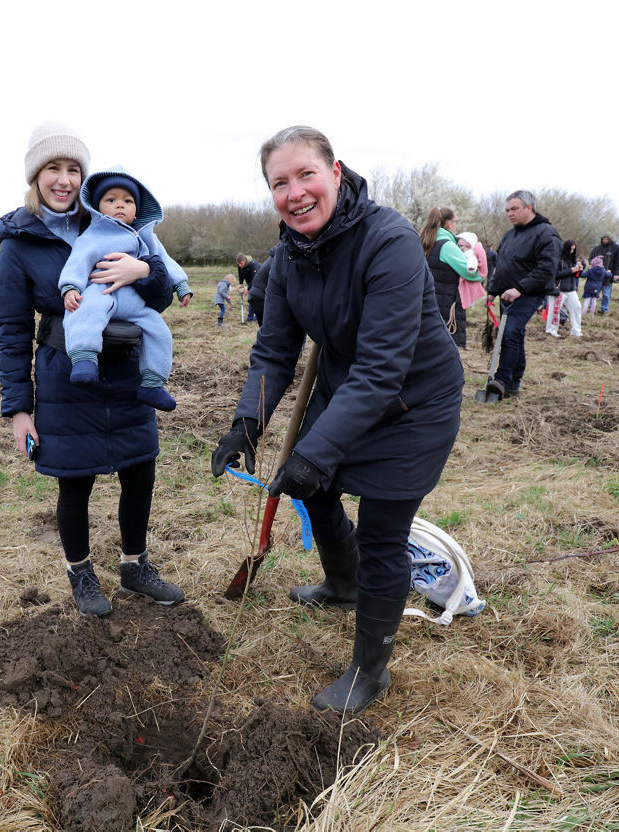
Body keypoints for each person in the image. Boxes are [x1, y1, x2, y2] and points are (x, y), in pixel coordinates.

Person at [210, 126, 463, 715]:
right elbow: (274, 351)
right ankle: (344, 585)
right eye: (279, 183)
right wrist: (247, 422)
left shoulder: (390, 240)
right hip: (348, 388)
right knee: (314, 489)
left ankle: (369, 670)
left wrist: (314, 451)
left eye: (306, 176)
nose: (295, 192)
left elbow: (382, 368)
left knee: (381, 533)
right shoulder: (287, 260)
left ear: (336, 172)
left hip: (411, 402)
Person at [0, 122, 184, 617]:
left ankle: (135, 567)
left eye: (73, 169)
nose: (63, 179)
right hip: (66, 377)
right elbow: (12, 328)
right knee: (73, 481)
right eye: (52, 168)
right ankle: (80, 573)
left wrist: (145, 271)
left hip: (126, 372)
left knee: (140, 472)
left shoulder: (109, 220)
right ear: (35, 176)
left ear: (84, 176)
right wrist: (18, 408)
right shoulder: (19, 243)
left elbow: (159, 299)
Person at [58, 168, 193, 412]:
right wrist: (70, 287)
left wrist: (181, 284)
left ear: (137, 209)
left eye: (128, 201)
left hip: (134, 300)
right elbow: (78, 261)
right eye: (111, 200)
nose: (120, 205)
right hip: (100, 290)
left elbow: (164, 260)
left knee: (159, 331)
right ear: (98, 207)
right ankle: (84, 358)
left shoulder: (147, 236)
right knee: (84, 311)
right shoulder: (93, 235)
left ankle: (153, 383)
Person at [485, 191, 562, 400]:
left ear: (529, 208)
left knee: (509, 333)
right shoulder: (510, 235)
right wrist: (492, 291)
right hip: (507, 295)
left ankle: (501, 380)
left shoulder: (546, 233)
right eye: (507, 210)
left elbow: (547, 268)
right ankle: (514, 383)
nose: (509, 214)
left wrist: (520, 289)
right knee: (514, 336)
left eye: (514, 209)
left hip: (529, 294)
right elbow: (502, 265)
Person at [419, 207, 477, 348]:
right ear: (448, 224)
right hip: (445, 305)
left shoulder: (425, 241)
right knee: (443, 349)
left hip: (426, 301)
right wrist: (474, 258)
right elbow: (471, 273)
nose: (456, 225)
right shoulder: (447, 246)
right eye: (456, 221)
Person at [546, 240, 583, 337]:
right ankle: (551, 330)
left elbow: (575, 276)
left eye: (573, 250)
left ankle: (576, 331)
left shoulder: (573, 260)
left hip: (571, 289)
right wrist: (571, 270)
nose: (571, 252)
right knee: (554, 310)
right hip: (559, 289)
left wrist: (578, 271)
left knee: (577, 308)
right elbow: (554, 274)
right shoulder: (557, 259)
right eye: (570, 249)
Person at [589, 235, 619, 314]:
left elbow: (618, 262)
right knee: (594, 293)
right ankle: (591, 308)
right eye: (604, 239)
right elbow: (590, 259)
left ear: (610, 239)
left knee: (606, 294)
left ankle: (604, 309)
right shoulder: (597, 249)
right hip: (597, 275)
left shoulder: (615, 248)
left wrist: (615, 273)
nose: (605, 240)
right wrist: (594, 265)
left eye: (607, 239)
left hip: (608, 275)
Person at [249, 246, 276, 326]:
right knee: (268, 327)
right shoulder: (277, 260)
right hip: (260, 297)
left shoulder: (272, 259)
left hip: (256, 295)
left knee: (266, 327)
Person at [237, 253, 259, 321]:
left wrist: (248, 289)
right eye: (238, 264)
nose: (240, 265)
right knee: (251, 299)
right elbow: (240, 273)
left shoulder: (253, 264)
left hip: (259, 283)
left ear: (244, 261)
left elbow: (255, 279)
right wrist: (241, 283)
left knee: (254, 299)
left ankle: (257, 316)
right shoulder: (239, 264)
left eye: (241, 263)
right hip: (250, 282)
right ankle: (251, 317)